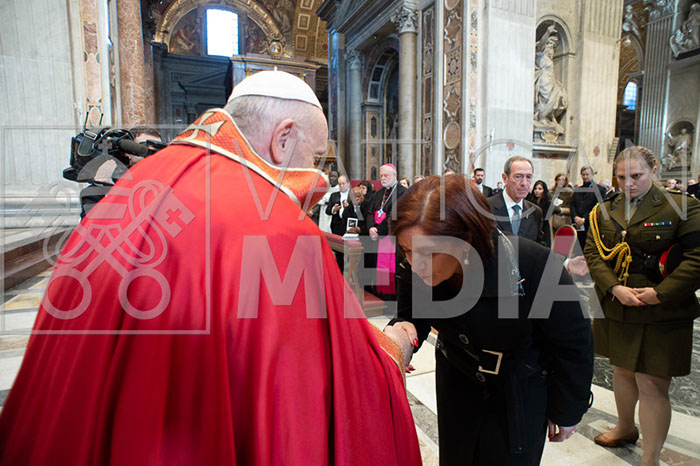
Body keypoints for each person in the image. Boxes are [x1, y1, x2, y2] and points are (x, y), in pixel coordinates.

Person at [0, 70, 422, 465]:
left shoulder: (139, 180)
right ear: (283, 138)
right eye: (313, 157)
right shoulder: (274, 225)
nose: (315, 174)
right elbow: (306, 390)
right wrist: (394, 346)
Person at [385, 175, 593, 465]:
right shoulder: (413, 263)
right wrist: (399, 337)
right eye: (407, 251)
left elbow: (573, 343)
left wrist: (568, 409)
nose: (415, 264)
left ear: (466, 239)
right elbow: (412, 315)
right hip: (457, 382)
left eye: (428, 253)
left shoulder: (532, 264)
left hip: (517, 389)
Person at [584, 146, 700, 466]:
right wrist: (614, 287)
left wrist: (661, 293)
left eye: (637, 176)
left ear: (654, 171)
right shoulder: (605, 210)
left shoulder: (682, 206)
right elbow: (594, 253)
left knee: (651, 381)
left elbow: (696, 258)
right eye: (621, 177)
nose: (628, 184)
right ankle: (625, 427)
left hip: (662, 310)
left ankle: (650, 458)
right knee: (621, 370)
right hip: (619, 304)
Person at [366, 164, 407, 296]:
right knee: (376, 267)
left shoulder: (402, 192)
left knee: (392, 268)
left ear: (394, 175)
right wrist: (371, 227)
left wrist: (379, 231)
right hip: (377, 237)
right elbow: (370, 212)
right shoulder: (379, 193)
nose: (383, 178)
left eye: (386, 175)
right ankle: (379, 294)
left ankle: (391, 298)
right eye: (381, 176)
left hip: (391, 236)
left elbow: (395, 215)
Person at [488, 156, 545, 244]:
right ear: (505, 178)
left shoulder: (535, 212)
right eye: (518, 177)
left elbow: (540, 247)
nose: (524, 183)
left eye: (528, 177)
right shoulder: (486, 207)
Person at [571, 166, 607, 249]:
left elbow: (598, 207)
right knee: (577, 248)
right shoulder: (577, 190)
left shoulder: (600, 189)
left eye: (587, 174)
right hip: (577, 224)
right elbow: (572, 205)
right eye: (583, 174)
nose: (585, 177)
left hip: (590, 224)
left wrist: (584, 218)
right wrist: (575, 217)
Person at [526, 180, 552, 246]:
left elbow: (546, 218)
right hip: (531, 229)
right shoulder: (530, 201)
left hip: (543, 229)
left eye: (540, 189)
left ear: (544, 190)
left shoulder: (547, 203)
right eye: (535, 189)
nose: (537, 191)